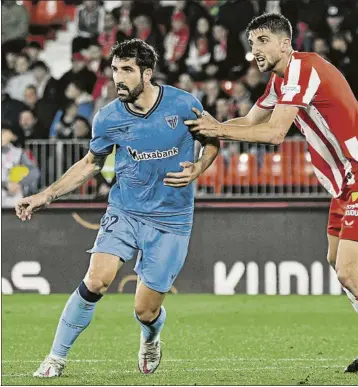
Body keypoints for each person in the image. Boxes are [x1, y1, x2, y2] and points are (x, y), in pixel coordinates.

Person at [185, 13, 358, 379]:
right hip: (345, 179)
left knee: (352, 270)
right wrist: (205, 126)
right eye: (252, 43)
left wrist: (218, 130)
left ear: (286, 43)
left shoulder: (303, 69)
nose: (256, 50)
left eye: (263, 41)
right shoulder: (280, 81)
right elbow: (250, 122)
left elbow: (273, 134)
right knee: (336, 261)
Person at [15, 39, 220, 378]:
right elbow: (90, 164)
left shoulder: (184, 105)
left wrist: (198, 168)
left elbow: (212, 140)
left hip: (171, 218)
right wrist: (44, 196)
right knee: (96, 280)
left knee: (145, 311)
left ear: (147, 73)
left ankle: (151, 337)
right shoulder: (108, 117)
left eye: (127, 70)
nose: (118, 78)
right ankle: (55, 357)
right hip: (125, 210)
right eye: (114, 70)